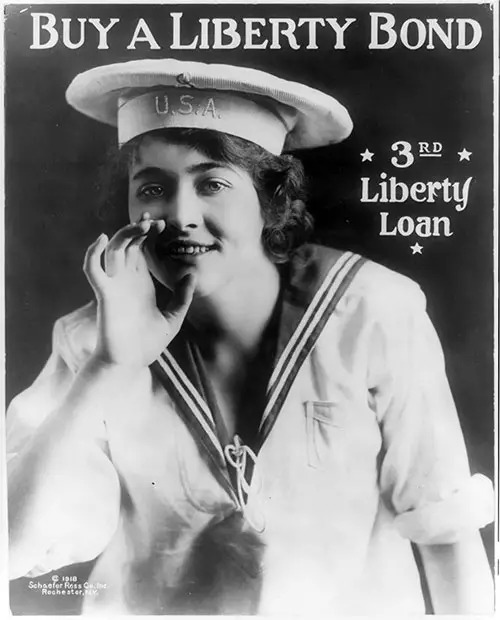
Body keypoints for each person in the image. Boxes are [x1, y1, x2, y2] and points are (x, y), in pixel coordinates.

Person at [6, 58, 494, 615]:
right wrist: (109, 368)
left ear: (273, 200)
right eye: (152, 188)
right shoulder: (91, 341)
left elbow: (443, 526)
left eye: (212, 183)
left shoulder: (371, 310)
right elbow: (15, 545)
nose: (180, 214)